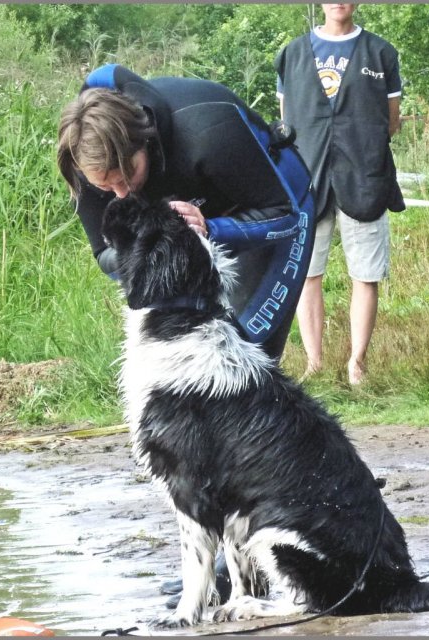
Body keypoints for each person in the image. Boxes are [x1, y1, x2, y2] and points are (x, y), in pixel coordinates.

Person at [57, 63, 315, 606]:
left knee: (238, 374)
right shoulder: (88, 165)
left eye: (130, 175)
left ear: (145, 141)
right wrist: (149, 243)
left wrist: (208, 229)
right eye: (109, 187)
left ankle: (255, 555)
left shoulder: (207, 126)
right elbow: (109, 256)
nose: (122, 192)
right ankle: (226, 556)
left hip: (268, 214)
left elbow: (284, 216)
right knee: (195, 401)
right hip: (196, 231)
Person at [275, 3, 405, 384]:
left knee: (365, 275)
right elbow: (286, 122)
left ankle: (357, 365)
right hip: (306, 182)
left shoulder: (381, 53)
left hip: (365, 178)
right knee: (306, 275)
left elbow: (391, 122)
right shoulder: (291, 54)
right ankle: (314, 365)